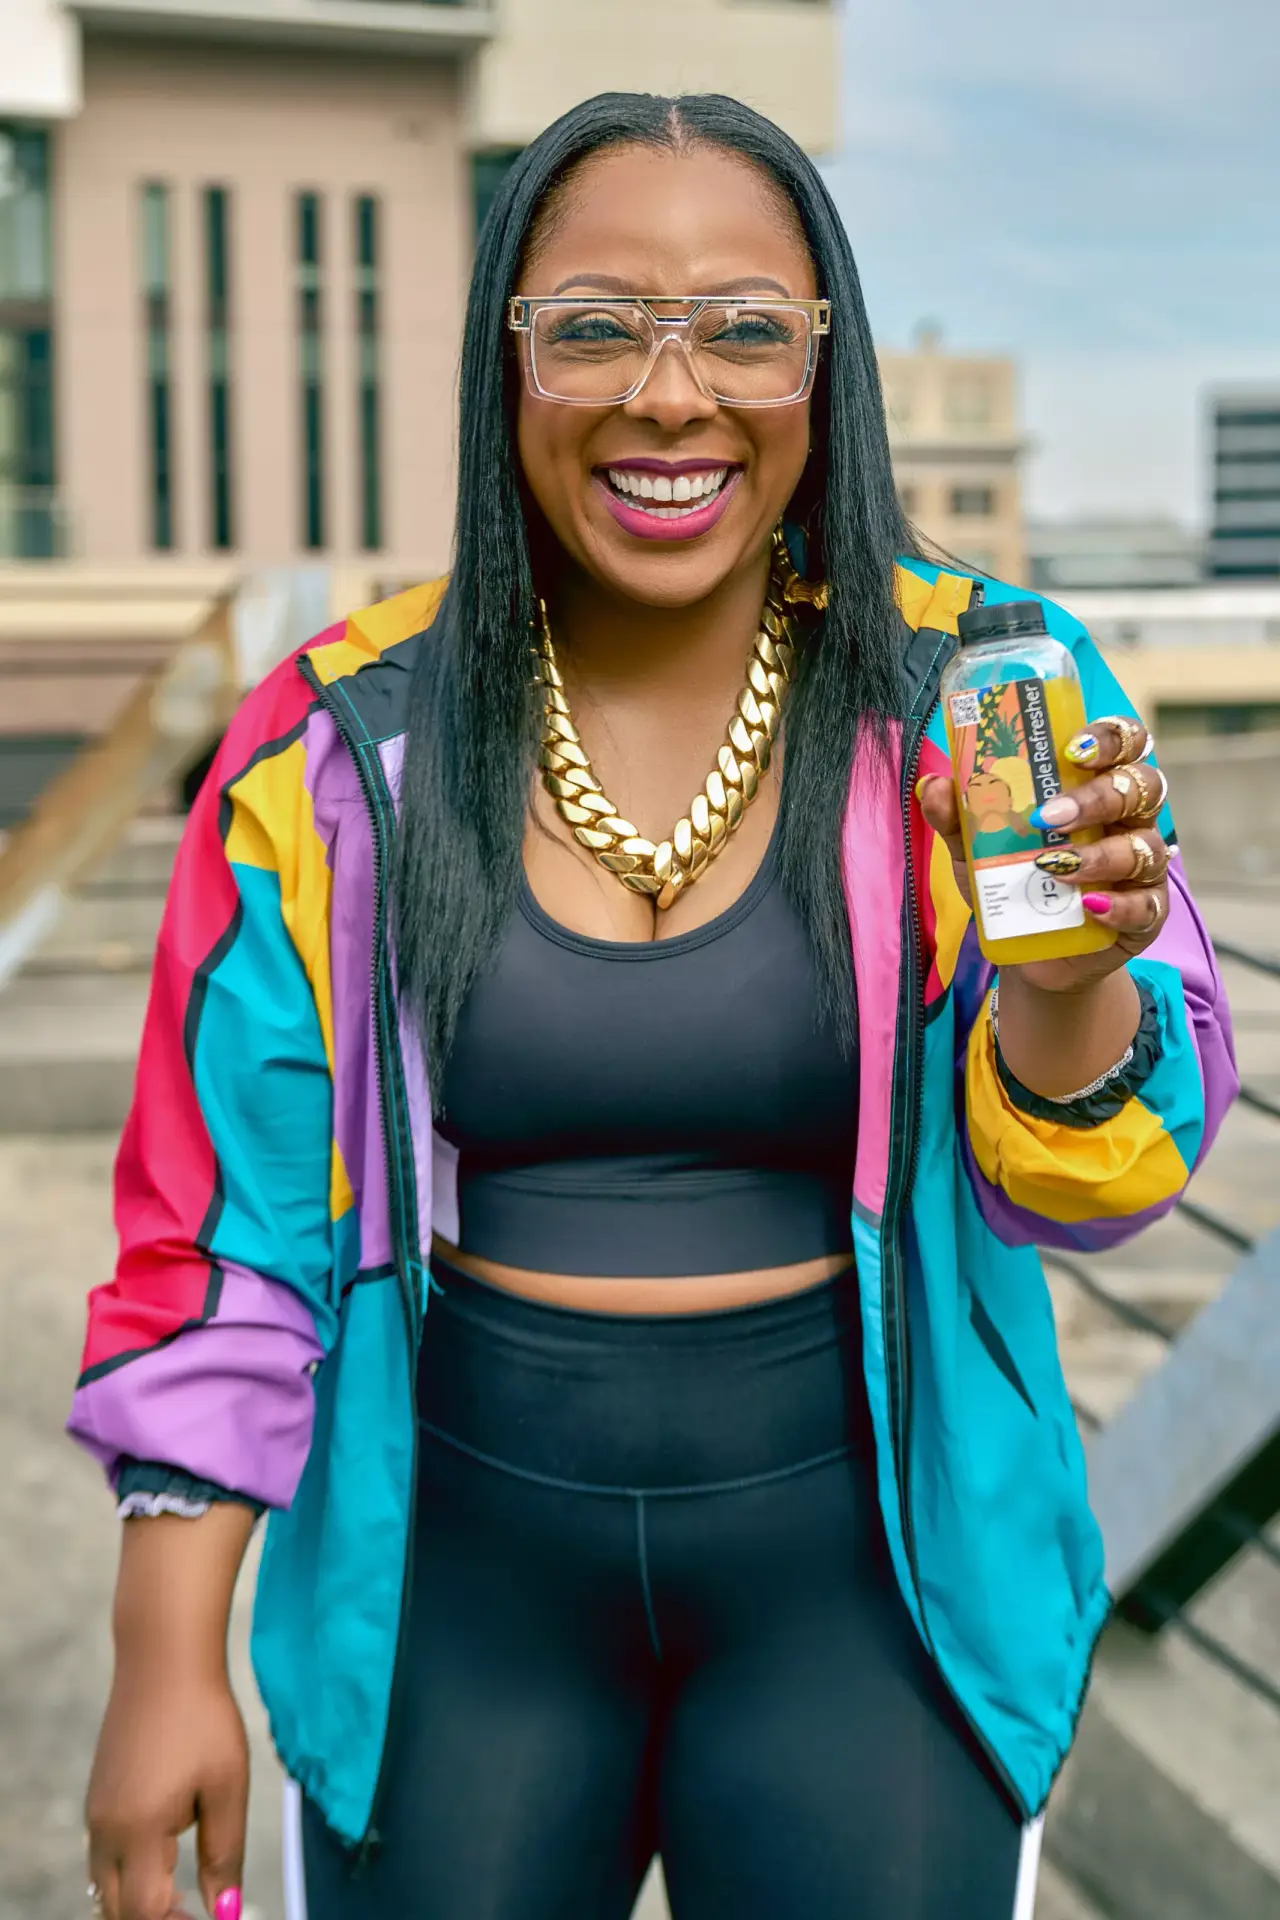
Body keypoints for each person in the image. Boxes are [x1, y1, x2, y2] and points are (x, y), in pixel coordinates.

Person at [71, 92, 1236, 1920]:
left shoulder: (987, 688)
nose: (671, 395)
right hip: (454, 1591)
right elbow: (228, 1234)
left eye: (746, 331)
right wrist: (165, 1660)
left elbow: (1105, 1183)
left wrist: (1068, 993)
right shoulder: (333, 746)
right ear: (505, 363)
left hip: (877, 1587)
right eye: (598, 324)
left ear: (825, 365)